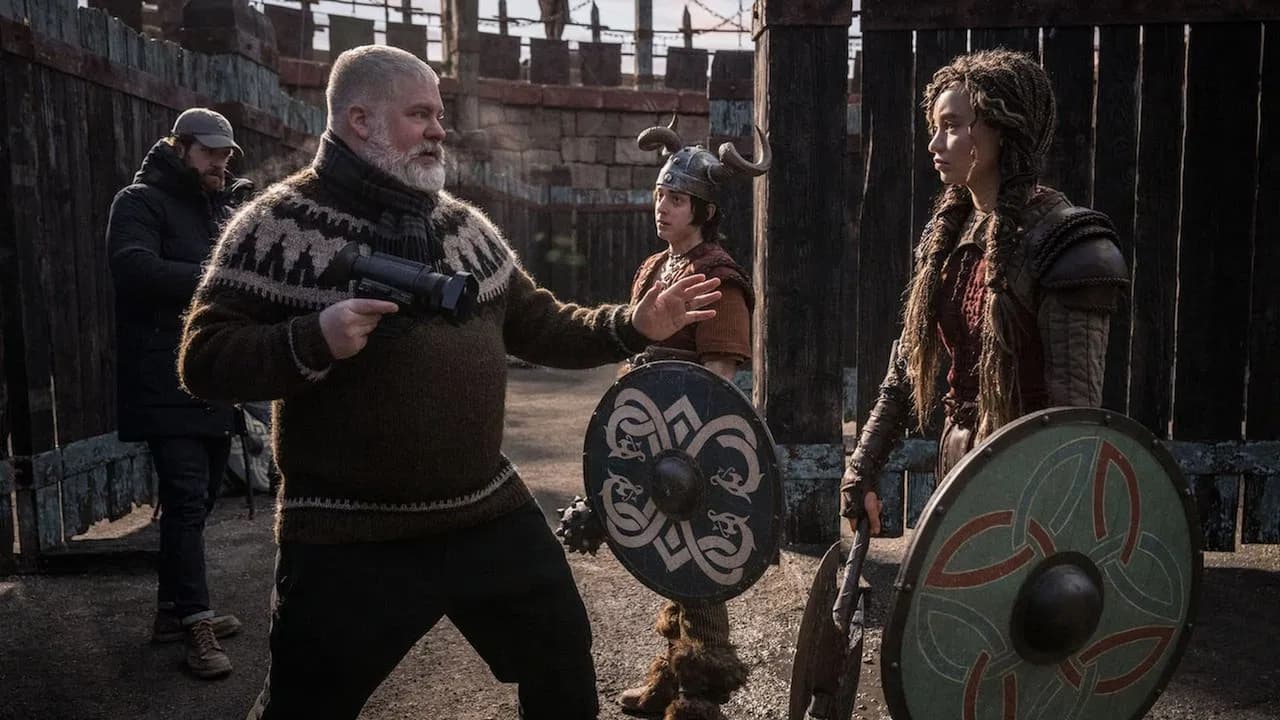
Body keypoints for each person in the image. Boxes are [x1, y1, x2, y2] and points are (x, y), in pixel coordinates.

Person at [176, 45, 723, 720]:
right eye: (420, 115)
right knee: (304, 705)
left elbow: (541, 323)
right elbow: (203, 358)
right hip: (347, 533)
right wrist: (311, 338)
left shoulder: (465, 229)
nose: (440, 129)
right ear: (359, 120)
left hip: (481, 510)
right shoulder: (276, 227)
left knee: (559, 653)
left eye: (439, 114)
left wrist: (633, 324)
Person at [840, 49, 1129, 535]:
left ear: (1002, 129)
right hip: (958, 477)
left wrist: (1053, 525)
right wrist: (862, 470)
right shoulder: (949, 234)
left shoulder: (1067, 244)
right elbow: (907, 367)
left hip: (1034, 489)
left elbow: (1073, 419)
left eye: (952, 126)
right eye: (935, 126)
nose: (934, 142)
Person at [616, 122, 768, 720]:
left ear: (704, 210)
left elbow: (716, 384)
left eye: (676, 198)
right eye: (660, 194)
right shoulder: (657, 267)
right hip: (652, 442)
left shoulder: (718, 278)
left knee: (697, 567)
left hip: (694, 450)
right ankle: (670, 677)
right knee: (668, 559)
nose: (662, 206)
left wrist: (683, 451)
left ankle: (701, 694)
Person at [106, 107, 253, 679]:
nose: (220, 163)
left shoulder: (216, 208)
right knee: (188, 499)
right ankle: (196, 622)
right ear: (179, 147)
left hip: (210, 374)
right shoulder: (138, 202)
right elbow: (134, 268)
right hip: (162, 376)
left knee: (202, 498)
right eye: (210, 152)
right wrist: (218, 280)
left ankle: (173, 612)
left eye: (225, 155)